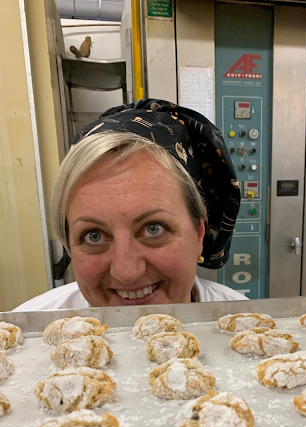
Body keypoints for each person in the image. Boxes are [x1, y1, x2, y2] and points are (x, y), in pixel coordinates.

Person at [14, 100, 247, 311]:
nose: (126, 273)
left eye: (154, 228)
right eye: (93, 235)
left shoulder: (248, 325)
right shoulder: (25, 339)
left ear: (198, 233)